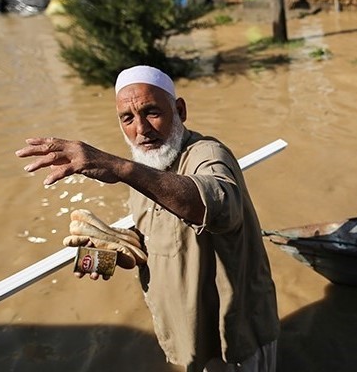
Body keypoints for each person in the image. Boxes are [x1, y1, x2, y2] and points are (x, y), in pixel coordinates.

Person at [16, 65, 280, 371]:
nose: (141, 130)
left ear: (179, 110)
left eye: (151, 112)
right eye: (127, 119)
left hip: (233, 339)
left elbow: (219, 205)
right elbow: (153, 249)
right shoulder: (145, 170)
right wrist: (106, 257)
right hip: (185, 337)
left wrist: (119, 168)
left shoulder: (207, 154)